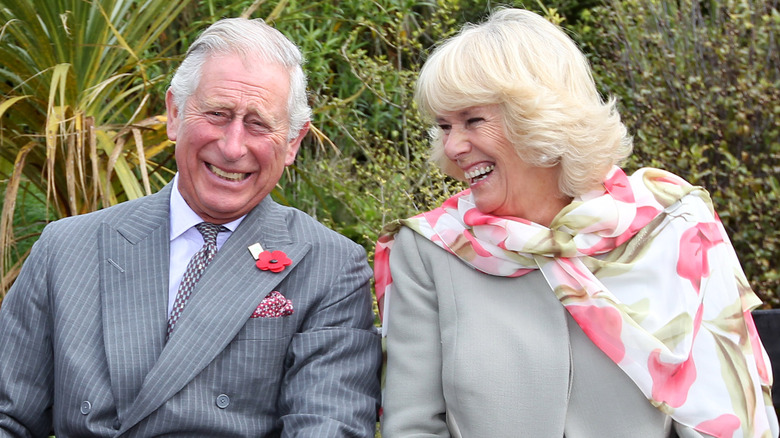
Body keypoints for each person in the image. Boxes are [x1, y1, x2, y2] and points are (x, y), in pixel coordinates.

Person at [375, 8, 778, 438]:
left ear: (539, 117)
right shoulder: (430, 249)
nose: (453, 146)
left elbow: (728, 413)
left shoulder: (673, 223)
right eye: (443, 126)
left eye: (473, 120)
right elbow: (412, 425)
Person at [0, 17, 381, 437]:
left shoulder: (331, 267)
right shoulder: (67, 248)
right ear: (175, 114)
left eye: (258, 124)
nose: (233, 147)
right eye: (217, 114)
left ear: (293, 142)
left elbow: (327, 425)